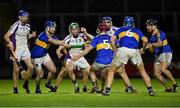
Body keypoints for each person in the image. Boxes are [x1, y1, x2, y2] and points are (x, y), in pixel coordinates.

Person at [103, 16, 155, 96]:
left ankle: (107, 91)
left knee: (111, 71)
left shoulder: (120, 29)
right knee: (142, 71)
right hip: (134, 50)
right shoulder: (137, 30)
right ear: (133, 23)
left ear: (124, 23)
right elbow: (145, 40)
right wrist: (143, 49)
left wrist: (115, 51)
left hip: (123, 50)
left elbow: (112, 40)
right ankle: (150, 91)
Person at [98, 16, 136, 93]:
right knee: (104, 73)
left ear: (111, 23)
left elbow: (125, 37)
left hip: (117, 52)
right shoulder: (101, 31)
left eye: (108, 22)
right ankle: (102, 88)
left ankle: (129, 88)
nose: (106, 24)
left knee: (122, 70)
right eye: (104, 22)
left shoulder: (117, 29)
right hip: (108, 54)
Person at [54, 22, 94, 93]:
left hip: (80, 57)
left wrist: (86, 33)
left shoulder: (82, 36)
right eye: (73, 29)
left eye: (76, 29)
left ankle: (85, 87)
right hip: (71, 57)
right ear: (70, 30)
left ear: (78, 29)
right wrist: (59, 53)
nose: (75, 31)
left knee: (88, 71)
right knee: (64, 72)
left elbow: (93, 40)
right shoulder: (68, 38)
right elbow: (59, 48)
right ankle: (75, 85)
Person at [4, 10, 36, 94]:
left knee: (31, 67)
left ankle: (26, 84)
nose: (25, 18)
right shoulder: (15, 25)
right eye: (24, 17)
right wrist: (10, 43)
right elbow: (6, 36)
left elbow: (26, 36)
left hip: (25, 49)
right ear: (19, 17)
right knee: (17, 70)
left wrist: (31, 36)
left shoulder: (28, 26)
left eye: (26, 17)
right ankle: (15, 88)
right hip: (16, 50)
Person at [31, 20, 64, 93]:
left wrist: (59, 51)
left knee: (53, 70)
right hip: (36, 57)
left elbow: (60, 43)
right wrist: (65, 43)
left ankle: (48, 83)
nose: (54, 29)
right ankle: (37, 88)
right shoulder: (43, 35)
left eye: (54, 27)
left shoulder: (52, 36)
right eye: (52, 27)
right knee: (40, 75)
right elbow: (55, 42)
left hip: (44, 55)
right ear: (47, 28)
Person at [146, 19, 178, 92]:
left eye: (149, 26)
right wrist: (148, 48)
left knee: (163, 69)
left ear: (154, 26)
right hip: (158, 55)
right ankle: (168, 87)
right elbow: (152, 50)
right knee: (156, 74)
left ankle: (174, 83)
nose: (147, 27)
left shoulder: (160, 33)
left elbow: (160, 44)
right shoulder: (151, 37)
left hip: (165, 52)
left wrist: (151, 44)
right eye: (147, 25)